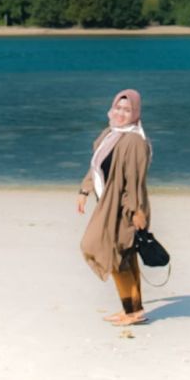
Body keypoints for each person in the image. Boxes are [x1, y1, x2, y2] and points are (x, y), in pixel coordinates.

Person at [77, 88, 153, 326]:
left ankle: (131, 311)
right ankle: (133, 310)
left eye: (127, 109)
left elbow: (135, 180)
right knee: (127, 258)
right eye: (118, 108)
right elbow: (96, 166)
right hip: (107, 203)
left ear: (135, 112)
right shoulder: (109, 134)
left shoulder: (134, 141)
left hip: (124, 208)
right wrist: (84, 190)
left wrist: (137, 212)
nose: (121, 113)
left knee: (112, 255)